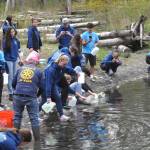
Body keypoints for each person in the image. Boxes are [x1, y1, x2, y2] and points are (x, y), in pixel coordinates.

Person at [12, 51, 43, 142]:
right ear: (36, 62)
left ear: (27, 61)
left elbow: (13, 84)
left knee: (17, 117)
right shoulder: (39, 71)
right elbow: (42, 87)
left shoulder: (20, 69)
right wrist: (36, 95)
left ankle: (14, 139)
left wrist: (17, 91)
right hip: (31, 96)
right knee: (34, 119)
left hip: (18, 95)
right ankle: (37, 142)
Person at [45, 55, 76, 121]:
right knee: (43, 100)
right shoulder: (50, 70)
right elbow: (48, 84)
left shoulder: (62, 67)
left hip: (53, 84)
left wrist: (76, 72)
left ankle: (62, 116)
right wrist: (48, 96)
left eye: (66, 64)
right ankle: (36, 115)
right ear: (60, 61)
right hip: (45, 84)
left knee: (58, 98)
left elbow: (68, 69)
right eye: (64, 64)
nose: (65, 65)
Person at [3, 27, 22, 101]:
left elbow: (18, 50)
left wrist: (20, 59)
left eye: (13, 32)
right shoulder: (5, 41)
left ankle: (14, 91)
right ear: (8, 33)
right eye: (11, 32)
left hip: (15, 59)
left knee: (15, 76)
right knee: (10, 76)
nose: (12, 33)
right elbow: (4, 52)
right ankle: (10, 93)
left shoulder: (16, 40)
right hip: (8, 60)